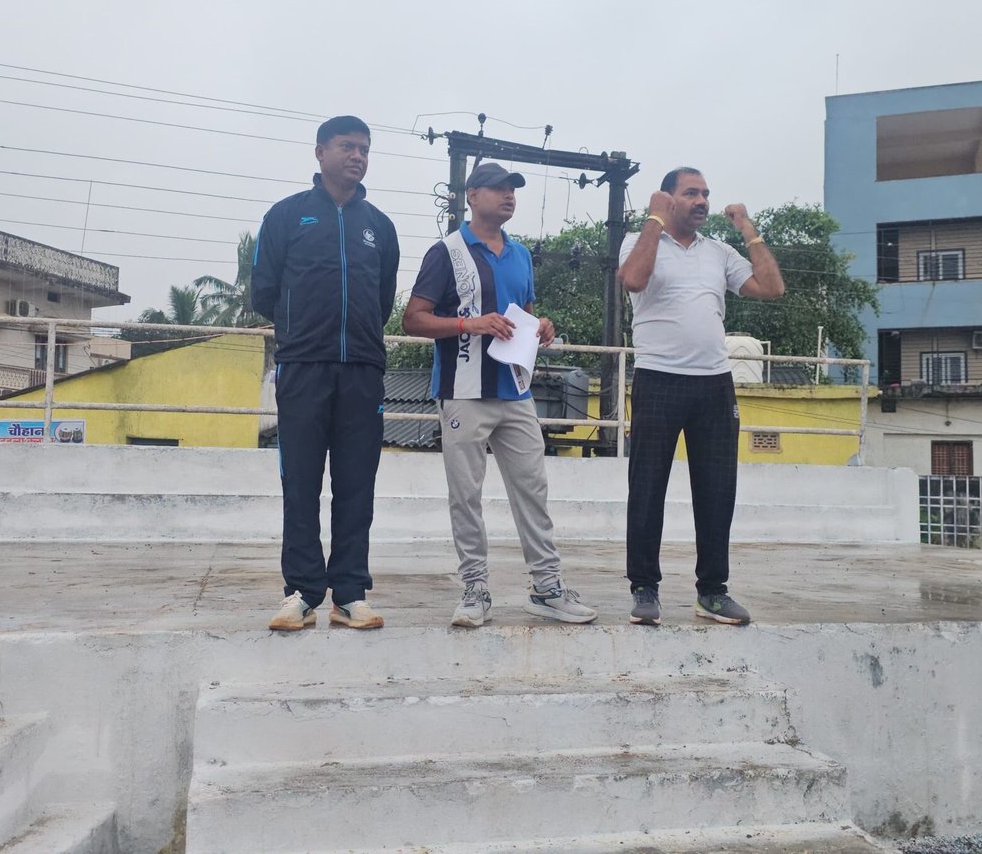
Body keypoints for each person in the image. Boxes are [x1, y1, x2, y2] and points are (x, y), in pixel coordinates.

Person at [403, 162, 598, 627]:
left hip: (515, 391)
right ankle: (475, 589)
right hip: (463, 391)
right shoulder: (447, 252)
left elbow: (524, 313)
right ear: (471, 195)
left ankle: (547, 588)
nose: (508, 195)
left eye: (512, 189)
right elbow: (413, 319)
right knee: (465, 494)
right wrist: (469, 323)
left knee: (533, 488)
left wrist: (541, 326)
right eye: (497, 188)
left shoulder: (521, 254)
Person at [615, 167, 785, 626]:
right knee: (647, 487)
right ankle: (644, 588)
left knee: (717, 490)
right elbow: (632, 280)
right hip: (658, 378)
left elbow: (771, 287)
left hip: (714, 383)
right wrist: (654, 220)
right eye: (691, 193)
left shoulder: (719, 252)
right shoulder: (640, 241)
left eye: (705, 193)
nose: (702, 201)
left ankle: (712, 592)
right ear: (668, 199)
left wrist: (747, 228)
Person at [250, 115, 401, 631]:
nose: (357, 156)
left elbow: (382, 298)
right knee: (301, 482)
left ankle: (350, 594)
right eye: (346, 146)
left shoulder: (379, 226)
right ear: (320, 152)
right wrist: (304, 330)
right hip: (303, 367)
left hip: (362, 369)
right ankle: (301, 592)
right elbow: (264, 291)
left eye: (364, 149)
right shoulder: (287, 216)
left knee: (357, 485)